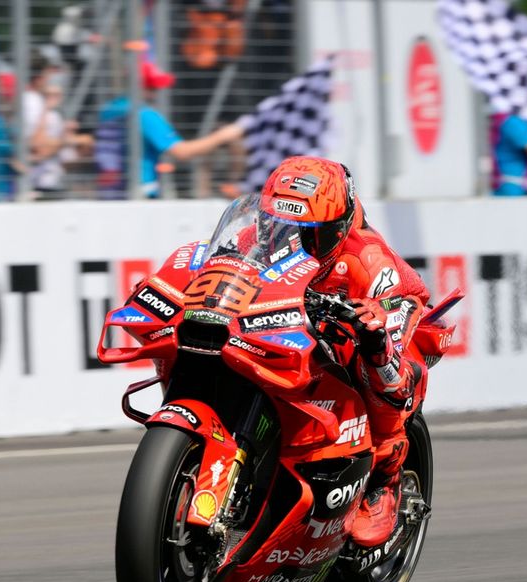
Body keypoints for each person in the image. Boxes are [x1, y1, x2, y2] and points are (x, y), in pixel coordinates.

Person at [256, 156, 431, 549]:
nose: (291, 241)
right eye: (280, 228)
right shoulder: (256, 241)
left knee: (376, 358)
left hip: (391, 312)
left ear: (337, 228)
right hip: (288, 332)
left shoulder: (366, 260)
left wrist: (374, 325)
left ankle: (384, 484)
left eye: (308, 235)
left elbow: (399, 309)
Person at [94, 60, 244, 198]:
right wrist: (222, 136)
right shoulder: (144, 114)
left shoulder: (109, 110)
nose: (157, 93)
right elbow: (182, 152)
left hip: (110, 190)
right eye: (153, 87)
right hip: (140, 191)